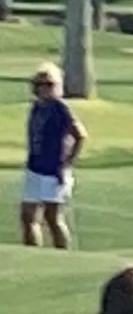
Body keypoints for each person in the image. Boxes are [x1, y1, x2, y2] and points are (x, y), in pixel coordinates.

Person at [22, 61, 84, 250]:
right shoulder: (37, 108)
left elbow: (79, 134)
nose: (44, 89)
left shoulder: (60, 107)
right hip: (35, 167)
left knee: (52, 218)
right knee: (28, 216)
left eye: (49, 84)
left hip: (53, 170)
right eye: (40, 85)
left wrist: (67, 162)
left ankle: (63, 253)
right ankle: (32, 253)